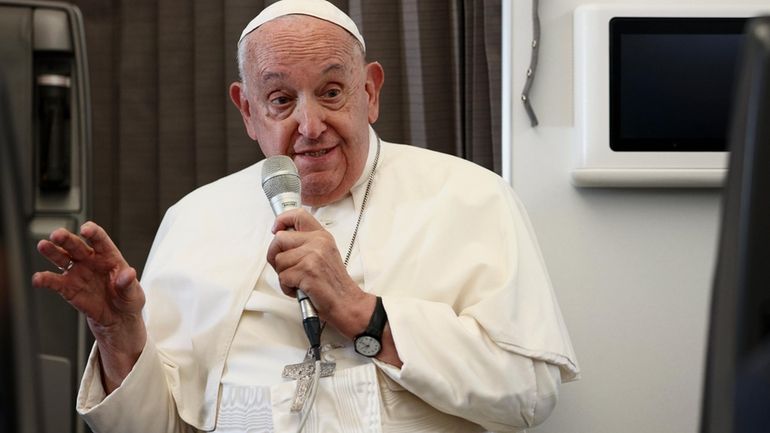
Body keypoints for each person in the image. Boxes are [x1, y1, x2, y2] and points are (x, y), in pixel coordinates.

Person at [33, 1, 579, 432]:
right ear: (247, 110)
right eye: (280, 100)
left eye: (332, 92)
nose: (310, 124)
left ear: (370, 92)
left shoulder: (473, 197)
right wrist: (117, 333)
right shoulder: (193, 218)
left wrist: (364, 313)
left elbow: (530, 393)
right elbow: (158, 429)